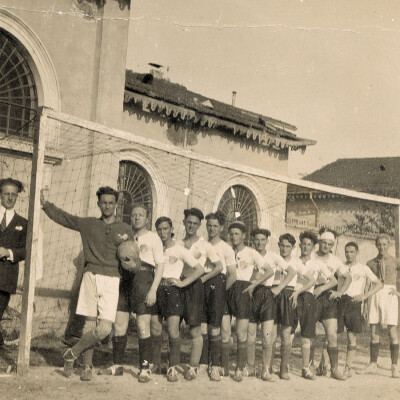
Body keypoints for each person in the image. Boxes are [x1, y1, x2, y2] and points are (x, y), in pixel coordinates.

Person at [41, 186, 134, 381]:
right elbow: (66, 218)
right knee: (89, 323)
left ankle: (72, 353)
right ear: (98, 203)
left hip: (112, 280)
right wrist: (45, 205)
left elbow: (134, 257)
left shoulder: (125, 229)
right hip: (90, 276)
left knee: (105, 328)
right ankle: (87, 367)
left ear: (116, 205)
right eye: (104, 202)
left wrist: (132, 264)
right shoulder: (88, 224)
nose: (107, 206)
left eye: (111, 202)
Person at [107, 204, 164, 383]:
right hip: (124, 280)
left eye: (141, 215)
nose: (137, 218)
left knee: (142, 326)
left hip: (144, 280)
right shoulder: (126, 236)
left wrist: (153, 289)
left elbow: (160, 265)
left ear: (147, 218)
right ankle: (117, 365)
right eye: (133, 215)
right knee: (119, 324)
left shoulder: (153, 238)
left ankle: (145, 368)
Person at [153, 216, 204, 382]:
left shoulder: (180, 249)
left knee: (173, 330)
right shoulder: (155, 248)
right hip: (156, 289)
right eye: (159, 229)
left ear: (171, 229)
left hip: (173, 291)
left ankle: (172, 367)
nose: (162, 232)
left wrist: (182, 284)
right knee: (155, 329)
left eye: (165, 228)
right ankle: (155, 363)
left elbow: (199, 269)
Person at [179, 207, 223, 381]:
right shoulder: (177, 243)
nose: (191, 226)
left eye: (195, 224)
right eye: (188, 222)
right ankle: (172, 365)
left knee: (195, 329)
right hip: (178, 285)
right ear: (183, 223)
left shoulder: (205, 245)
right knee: (173, 327)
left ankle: (193, 367)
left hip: (194, 288)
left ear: (199, 225)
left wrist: (203, 280)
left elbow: (219, 267)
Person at [227, 221, 274, 382]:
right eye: (231, 234)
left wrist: (253, 285)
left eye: (237, 234)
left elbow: (269, 271)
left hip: (244, 291)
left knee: (242, 332)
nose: (234, 237)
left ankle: (240, 369)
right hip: (227, 289)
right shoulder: (226, 250)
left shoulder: (252, 253)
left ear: (244, 236)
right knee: (225, 330)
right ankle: (224, 366)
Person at [295, 231, 336, 380]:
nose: (306, 247)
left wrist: (320, 289)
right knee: (287, 333)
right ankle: (283, 367)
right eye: (303, 244)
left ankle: (305, 368)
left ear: (313, 247)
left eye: (309, 245)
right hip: (292, 296)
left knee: (306, 334)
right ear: (299, 245)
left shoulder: (317, 263)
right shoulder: (294, 261)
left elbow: (333, 281)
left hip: (308, 298)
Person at [338, 242, 382, 378]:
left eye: (351, 252)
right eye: (346, 252)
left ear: (357, 253)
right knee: (334, 335)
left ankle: (348, 367)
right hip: (340, 302)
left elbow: (379, 284)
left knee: (351, 337)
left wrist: (364, 296)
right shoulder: (340, 266)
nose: (349, 254)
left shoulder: (363, 268)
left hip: (354, 303)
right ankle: (326, 365)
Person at [312, 229, 352, 380]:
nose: (326, 246)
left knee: (332, 335)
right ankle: (310, 366)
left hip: (329, 299)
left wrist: (340, 292)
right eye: (324, 243)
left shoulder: (335, 260)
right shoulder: (311, 256)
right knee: (310, 334)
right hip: (313, 296)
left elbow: (348, 278)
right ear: (319, 242)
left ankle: (334, 369)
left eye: (330, 244)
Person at [247, 228, 286, 381]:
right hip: (251, 293)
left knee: (267, 335)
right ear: (252, 240)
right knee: (250, 335)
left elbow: (291, 272)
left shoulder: (274, 257)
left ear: (267, 241)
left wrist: (280, 287)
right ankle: (249, 367)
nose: (260, 242)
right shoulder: (248, 254)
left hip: (267, 295)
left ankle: (265, 369)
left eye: (263, 240)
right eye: (257, 239)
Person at [359, 233, 400, 378]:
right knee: (374, 331)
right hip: (374, 294)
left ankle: (394, 366)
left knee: (392, 332)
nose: (382, 247)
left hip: (390, 295)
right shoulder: (370, 263)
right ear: (376, 245)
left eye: (384, 244)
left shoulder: (396, 261)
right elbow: (367, 285)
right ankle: (372, 364)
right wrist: (364, 304)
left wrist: (398, 292)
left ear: (389, 245)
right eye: (379, 244)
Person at [202, 211, 237, 381]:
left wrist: (221, 292)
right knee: (202, 326)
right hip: (202, 286)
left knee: (216, 328)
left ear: (221, 227)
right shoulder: (202, 245)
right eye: (209, 225)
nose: (212, 229)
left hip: (218, 287)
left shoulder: (226, 248)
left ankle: (215, 366)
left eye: (215, 226)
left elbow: (232, 275)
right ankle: (203, 363)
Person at [272, 233, 311, 380]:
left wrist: (297, 292)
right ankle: (268, 367)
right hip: (273, 294)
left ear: (293, 248)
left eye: (288, 246)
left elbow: (311, 280)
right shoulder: (273, 259)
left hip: (288, 296)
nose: (284, 248)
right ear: (278, 245)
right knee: (270, 334)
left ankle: (283, 369)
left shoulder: (296, 262)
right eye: (282, 245)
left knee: (285, 336)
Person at [0, 178, 27, 347]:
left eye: (13, 195)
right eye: (6, 194)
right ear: (0, 195)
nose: (10, 198)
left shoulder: (23, 223)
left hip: (5, 278)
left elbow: (26, 251)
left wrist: (9, 252)